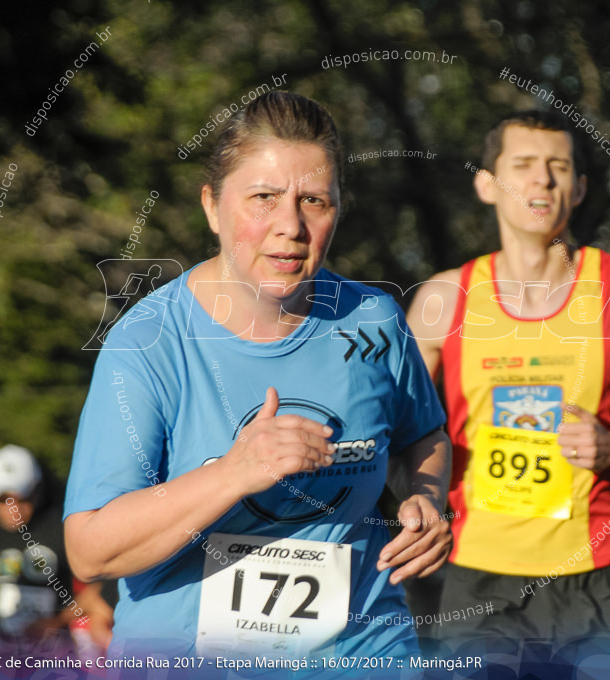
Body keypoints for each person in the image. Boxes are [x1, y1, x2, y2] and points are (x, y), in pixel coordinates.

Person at [64, 91, 452, 660]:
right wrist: (235, 472)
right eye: (264, 198)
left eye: (314, 200)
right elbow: (90, 551)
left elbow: (423, 436)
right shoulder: (147, 343)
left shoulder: (373, 319)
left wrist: (426, 497)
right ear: (212, 207)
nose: (290, 226)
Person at [407, 110, 610, 647]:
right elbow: (394, 430)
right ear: (486, 184)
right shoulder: (442, 299)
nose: (542, 180)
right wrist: (417, 497)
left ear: (578, 188)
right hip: (479, 579)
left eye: (558, 167)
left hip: (600, 578)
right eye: (522, 164)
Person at [0, 445, 112, 656]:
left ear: (37, 490)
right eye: (2, 499)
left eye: (22, 498)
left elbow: (102, 584)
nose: (12, 508)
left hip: (54, 658)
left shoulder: (62, 527)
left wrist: (57, 620)